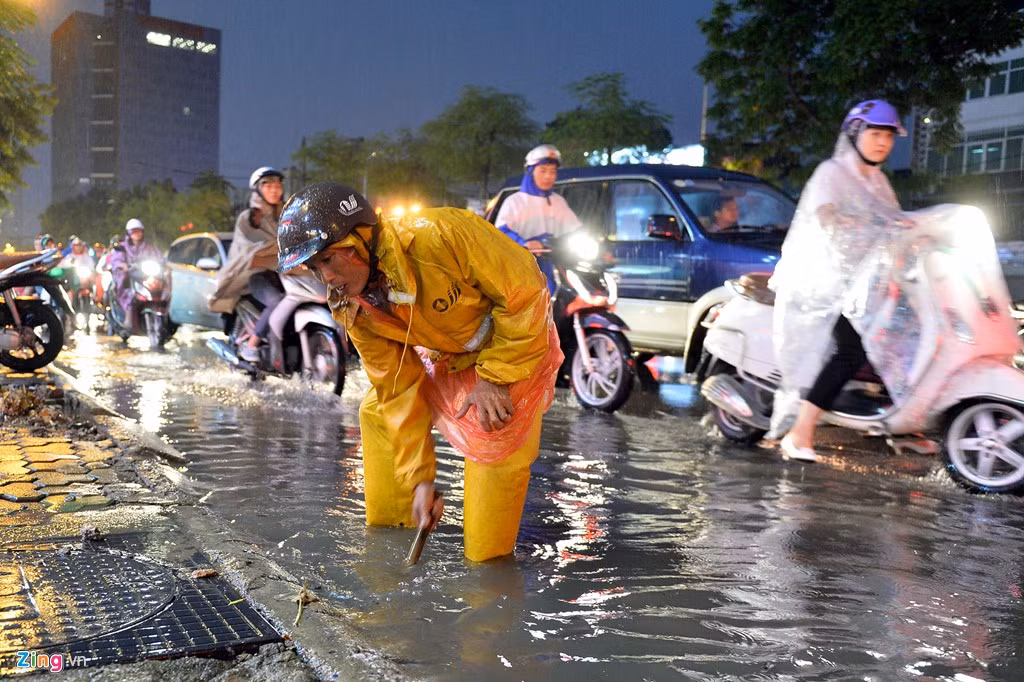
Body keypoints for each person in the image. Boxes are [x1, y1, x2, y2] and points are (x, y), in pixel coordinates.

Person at [277, 183, 563, 562]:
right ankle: (390, 538)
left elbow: (526, 294)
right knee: (378, 411)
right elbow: (396, 388)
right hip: (452, 354)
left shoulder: (443, 235)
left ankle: (488, 568)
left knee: (493, 424)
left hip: (516, 344)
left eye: (329, 259)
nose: (325, 276)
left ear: (360, 239)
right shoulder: (353, 307)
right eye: (314, 267)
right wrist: (421, 480)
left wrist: (495, 379)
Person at [768, 99, 908, 462]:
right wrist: (863, 226)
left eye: (889, 137)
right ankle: (800, 432)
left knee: (902, 336)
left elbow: (895, 223)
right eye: (875, 134)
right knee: (852, 349)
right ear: (856, 134)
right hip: (823, 283)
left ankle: (904, 425)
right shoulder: (831, 173)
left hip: (862, 284)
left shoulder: (878, 181)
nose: (883, 142)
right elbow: (826, 218)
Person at [210, 166, 285, 362]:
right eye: (268, 186)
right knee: (277, 301)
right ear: (258, 190)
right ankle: (251, 345)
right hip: (257, 274)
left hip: (287, 273)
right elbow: (253, 246)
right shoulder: (250, 218)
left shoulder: (288, 214)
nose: (274, 190)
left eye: (278, 185)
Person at [494, 144, 582, 293]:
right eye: (543, 171)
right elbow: (501, 232)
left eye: (553, 171)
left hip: (552, 264)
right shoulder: (515, 201)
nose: (548, 176)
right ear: (530, 171)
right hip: (522, 267)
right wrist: (524, 243)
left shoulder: (558, 201)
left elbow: (575, 229)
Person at [108, 218, 162, 325]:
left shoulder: (149, 246)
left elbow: (159, 257)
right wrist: (122, 265)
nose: (137, 234)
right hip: (130, 277)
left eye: (139, 231)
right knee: (129, 292)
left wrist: (163, 263)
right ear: (129, 233)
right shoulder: (123, 247)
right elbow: (116, 260)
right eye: (134, 231)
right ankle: (128, 315)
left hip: (145, 275)